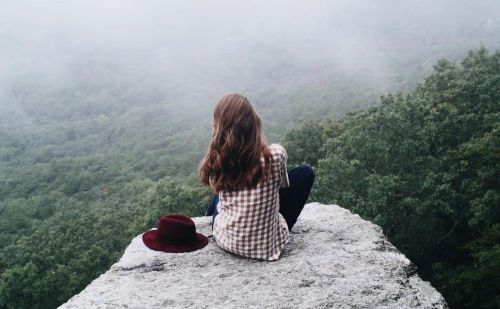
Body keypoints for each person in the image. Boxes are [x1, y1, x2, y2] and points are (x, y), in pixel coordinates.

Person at [198, 93, 314, 261]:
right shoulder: (276, 155)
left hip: (227, 241)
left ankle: (210, 217)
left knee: (218, 197)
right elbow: (282, 187)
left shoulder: (216, 161)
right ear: (253, 122)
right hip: (267, 247)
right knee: (305, 173)